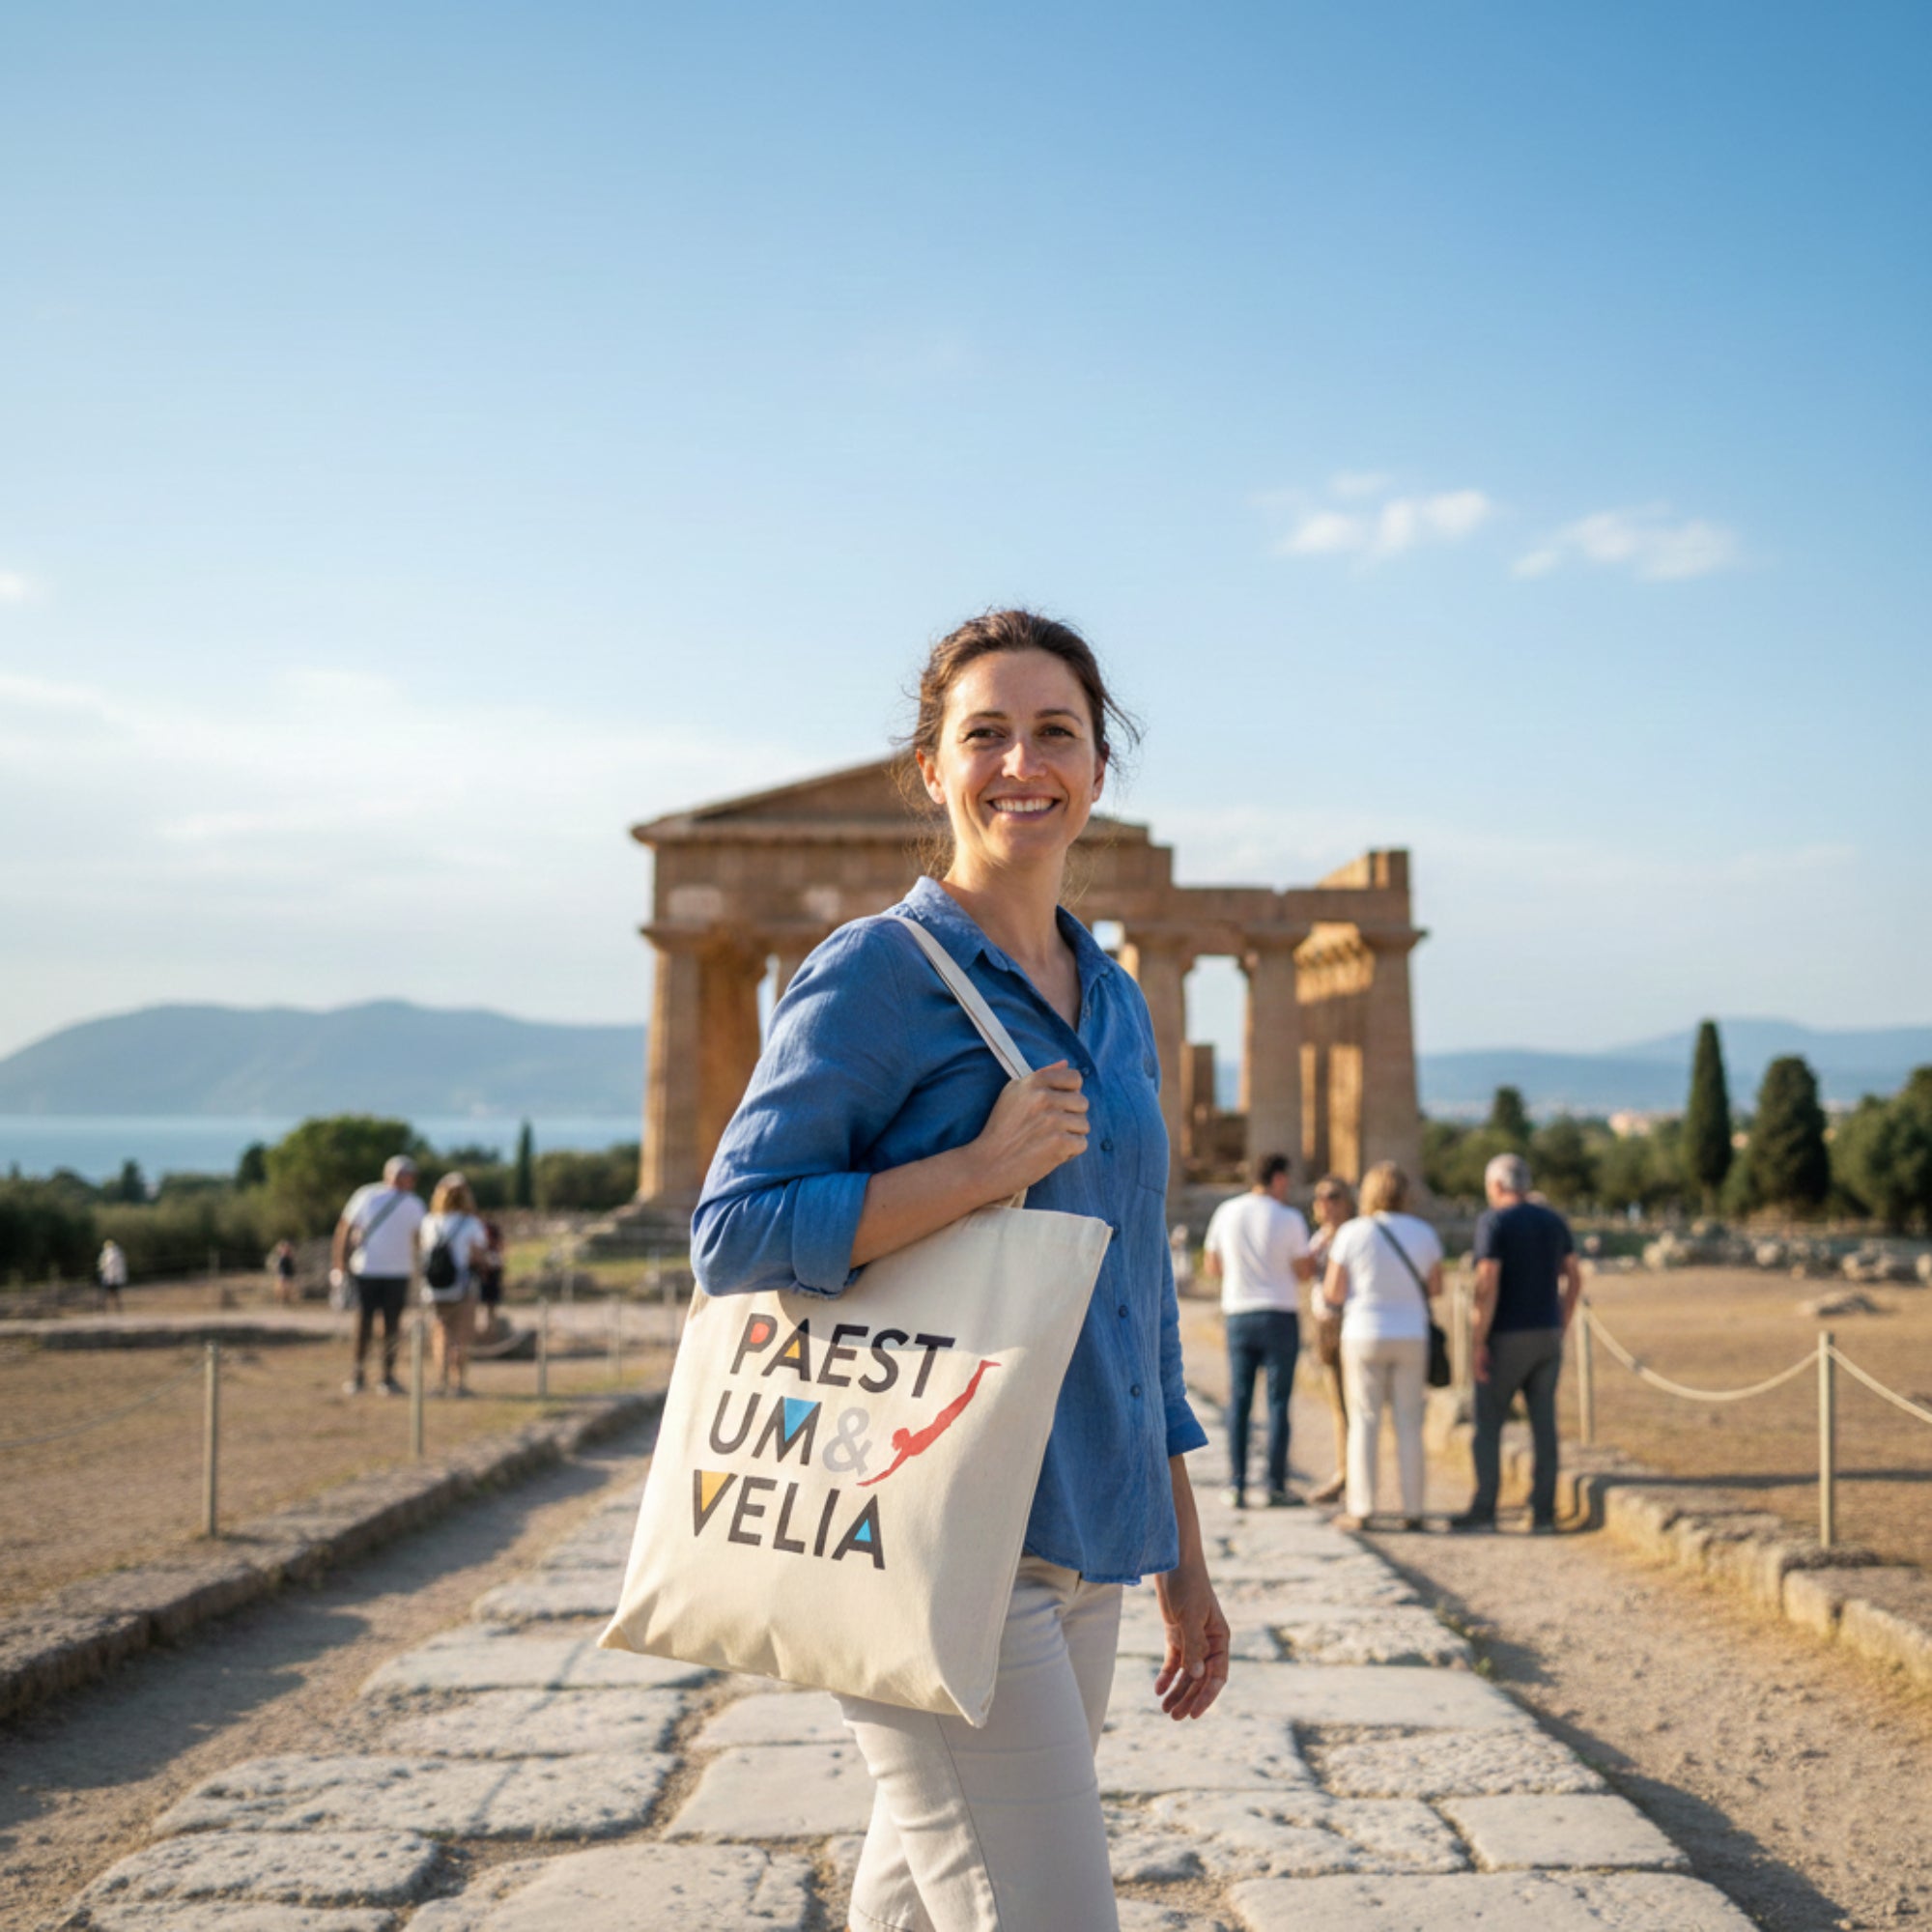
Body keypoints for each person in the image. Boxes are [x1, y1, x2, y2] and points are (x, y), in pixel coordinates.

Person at [691, 609, 1227, 1932]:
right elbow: (733, 1232)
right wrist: (974, 1174)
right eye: (983, 734)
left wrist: (1181, 1548)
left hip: (1083, 1528)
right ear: (931, 769)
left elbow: (1135, 1290)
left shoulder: (1112, 997)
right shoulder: (877, 972)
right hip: (927, 1533)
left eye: (1057, 732)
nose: (1021, 764)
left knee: (922, 1903)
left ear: (1100, 767)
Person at [1454, 1151, 1583, 1534]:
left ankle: (1484, 1508)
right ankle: (1541, 1512)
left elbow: (1488, 1279)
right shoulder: (1553, 1220)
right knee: (1544, 1424)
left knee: (1488, 1422)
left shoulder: (1494, 1221)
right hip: (1547, 1334)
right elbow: (1574, 1277)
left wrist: (1479, 1339)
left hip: (1506, 1335)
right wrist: (1561, 1320)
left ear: (1496, 1186)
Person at [1319, 1161, 1442, 1531]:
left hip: (1363, 1332)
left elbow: (1333, 1291)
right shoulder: (1423, 1232)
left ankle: (1363, 1507)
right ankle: (1414, 1509)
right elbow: (1435, 1287)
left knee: (1364, 1421)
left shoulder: (1353, 1233)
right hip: (1411, 1334)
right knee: (1409, 1422)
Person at [1202, 1152, 1315, 1508]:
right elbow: (1302, 1271)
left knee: (1239, 1401)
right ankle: (1276, 1485)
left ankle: (1236, 1483)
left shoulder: (1227, 1212)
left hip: (1239, 1313)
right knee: (1278, 1403)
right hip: (1279, 1313)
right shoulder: (1290, 1218)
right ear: (1279, 1178)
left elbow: (1212, 1265)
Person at [331, 1154, 425, 1396]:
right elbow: (345, 1228)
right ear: (390, 1174)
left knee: (392, 1326)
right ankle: (358, 1374)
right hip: (367, 1270)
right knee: (363, 1324)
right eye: (404, 1174)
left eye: (410, 1175)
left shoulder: (414, 1203)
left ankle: (388, 1376)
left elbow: (420, 1240)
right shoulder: (367, 1195)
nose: (408, 1179)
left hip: (399, 1272)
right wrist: (339, 1265)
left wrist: (421, 1270)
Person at [1304, 1175, 1355, 1506]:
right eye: (1320, 1196)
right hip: (1326, 1327)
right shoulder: (1317, 1240)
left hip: (1351, 1323)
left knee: (1357, 1407)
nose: (1325, 1202)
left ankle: (1353, 1477)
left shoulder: (1356, 1235)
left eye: (1333, 1196)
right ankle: (1343, 1472)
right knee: (1338, 1406)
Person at [418, 1173, 490, 1397]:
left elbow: (423, 1250)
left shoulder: (429, 1222)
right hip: (462, 1285)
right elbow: (477, 1255)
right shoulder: (471, 1224)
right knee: (460, 1335)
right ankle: (458, 1383)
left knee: (440, 1332)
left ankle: (441, 1380)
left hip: (435, 1287)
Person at [471, 1216, 505, 1344]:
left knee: (491, 1303)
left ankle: (491, 1330)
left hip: (491, 1271)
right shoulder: (478, 1230)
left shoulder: (488, 1230)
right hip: (483, 1271)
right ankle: (479, 1331)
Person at [97, 1238, 128, 1312]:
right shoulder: (119, 1254)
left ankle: (103, 1308)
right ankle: (118, 1308)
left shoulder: (109, 1255)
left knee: (105, 1294)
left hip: (109, 1278)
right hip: (115, 1278)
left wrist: (109, 1277)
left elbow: (107, 1267)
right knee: (114, 1294)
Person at [268, 1238, 298, 1306]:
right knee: (282, 1287)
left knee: (287, 1287)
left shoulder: (288, 1256)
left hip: (288, 1273)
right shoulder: (283, 1256)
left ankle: (286, 1299)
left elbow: (292, 1264)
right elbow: (279, 1265)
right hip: (283, 1273)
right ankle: (282, 1299)